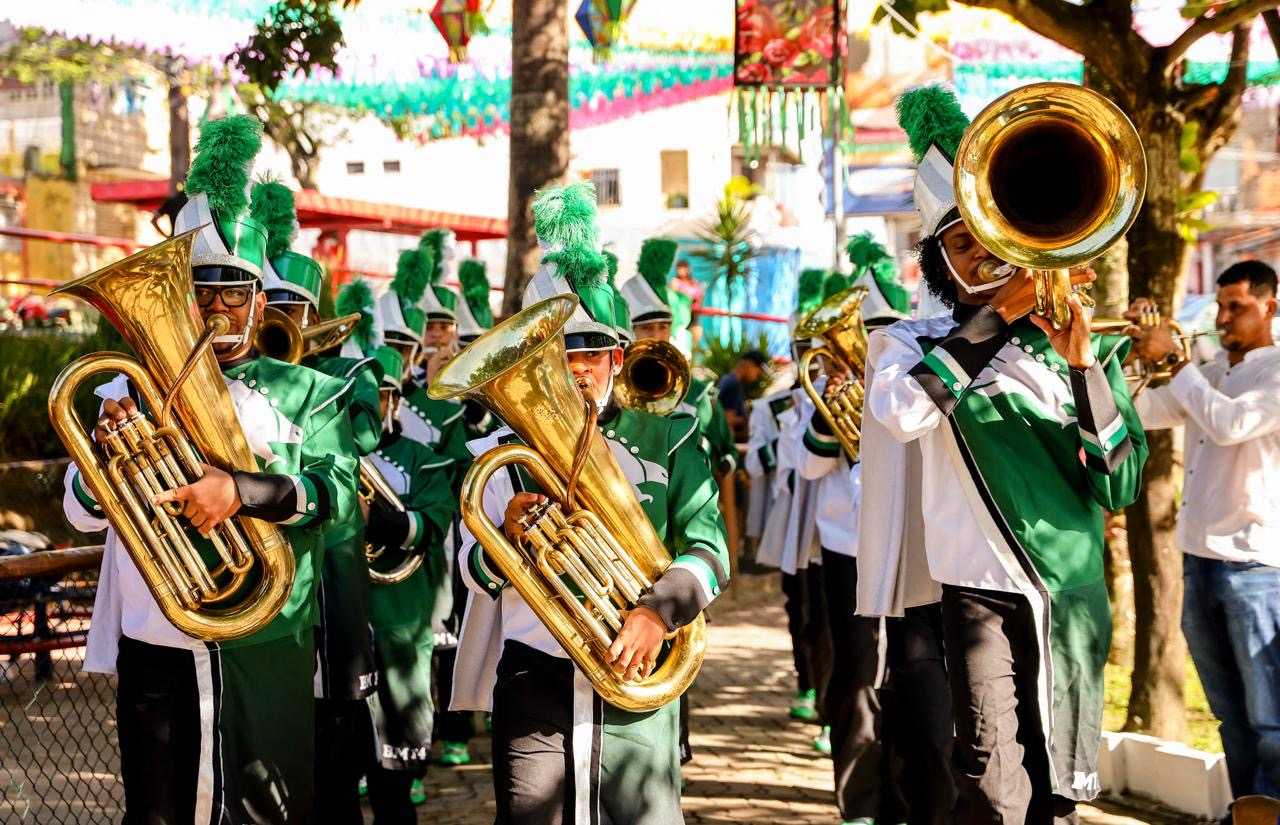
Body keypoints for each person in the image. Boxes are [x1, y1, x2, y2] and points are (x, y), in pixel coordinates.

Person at [858, 85, 1148, 824]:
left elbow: (1117, 487)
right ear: (935, 263)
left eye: (989, 239)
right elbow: (900, 410)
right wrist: (995, 319)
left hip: (1074, 593)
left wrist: (1085, 368)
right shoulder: (907, 344)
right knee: (990, 786)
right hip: (978, 590)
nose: (984, 257)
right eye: (961, 245)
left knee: (1058, 792)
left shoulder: (1083, 350)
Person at [63, 114, 358, 824]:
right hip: (158, 637)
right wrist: (103, 459)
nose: (217, 309)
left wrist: (244, 492)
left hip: (268, 640)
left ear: (258, 303)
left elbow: (339, 495)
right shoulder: (125, 389)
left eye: (233, 293)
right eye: (201, 291)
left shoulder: (307, 391)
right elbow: (77, 510)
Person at [451, 181, 730, 825]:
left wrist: (659, 612)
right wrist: (503, 540)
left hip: (642, 663)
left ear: (616, 357)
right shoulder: (497, 453)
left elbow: (710, 550)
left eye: (591, 354)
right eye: (558, 355)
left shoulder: (673, 434)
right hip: (535, 669)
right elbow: (469, 570)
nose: (577, 372)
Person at [254, 182, 382, 824]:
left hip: (331, 565)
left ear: (311, 313)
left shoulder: (345, 378)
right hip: (260, 575)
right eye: (269, 302)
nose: (280, 314)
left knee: (335, 736)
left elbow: (361, 442)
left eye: (292, 305)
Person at [1128, 260, 1280, 800]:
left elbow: (1229, 423)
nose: (1223, 317)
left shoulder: (1276, 373)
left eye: (1236, 306)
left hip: (1256, 567)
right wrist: (1124, 358)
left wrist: (1174, 358)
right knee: (1227, 716)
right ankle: (1245, 811)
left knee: (1270, 721)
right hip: (1199, 559)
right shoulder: (1212, 373)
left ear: (1271, 306)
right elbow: (1142, 411)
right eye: (1220, 306)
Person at [362, 342, 457, 824]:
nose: (366, 407)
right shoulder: (322, 456)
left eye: (377, 396)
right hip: (340, 628)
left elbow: (433, 521)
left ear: (395, 400)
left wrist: (381, 521)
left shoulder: (419, 459)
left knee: (395, 788)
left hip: (400, 622)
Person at [752, 269, 828, 728]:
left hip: (834, 525)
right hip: (793, 521)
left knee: (830, 616)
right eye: (804, 352)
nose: (812, 362)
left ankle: (830, 700)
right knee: (799, 609)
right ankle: (806, 683)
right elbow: (759, 465)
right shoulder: (775, 407)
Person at [622, 238, 738, 476]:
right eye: (646, 328)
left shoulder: (695, 393)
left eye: (663, 326)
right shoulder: (615, 394)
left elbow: (725, 454)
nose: (656, 336)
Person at [717, 350, 768, 440]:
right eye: (758, 369)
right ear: (749, 364)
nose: (759, 374)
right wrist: (750, 420)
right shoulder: (733, 384)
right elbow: (727, 419)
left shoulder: (728, 379)